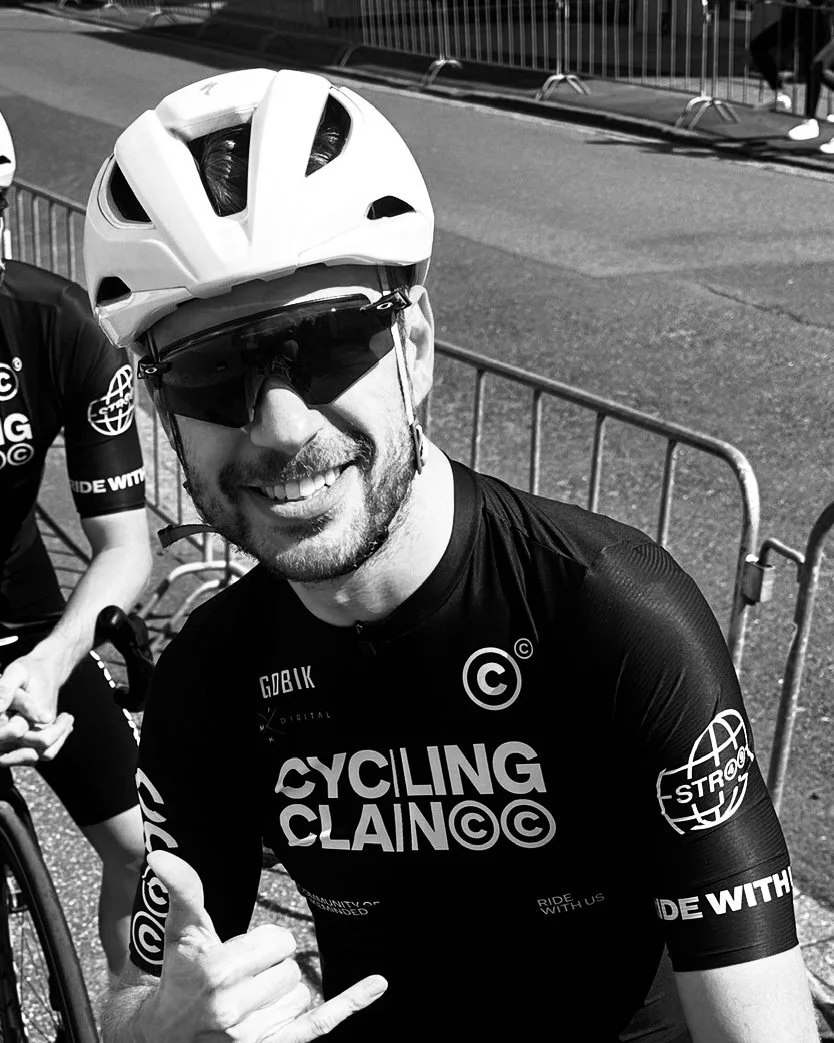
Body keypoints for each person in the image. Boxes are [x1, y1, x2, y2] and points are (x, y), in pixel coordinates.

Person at [83, 68, 820, 1042]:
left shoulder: (615, 614)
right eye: (215, 372)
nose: (280, 425)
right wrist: (163, 1029)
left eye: (331, 343)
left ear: (418, 345)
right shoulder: (209, 679)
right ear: (163, 407)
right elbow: (137, 989)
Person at [0, 110, 152, 983]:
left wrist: (58, 657)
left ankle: (131, 1015)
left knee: (141, 847)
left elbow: (124, 545)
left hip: (21, 610)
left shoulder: (58, 326)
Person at [749, 0, 830, 116]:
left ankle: (810, 118)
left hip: (816, 16)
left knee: (814, 68)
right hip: (795, 15)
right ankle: (779, 93)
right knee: (758, 46)